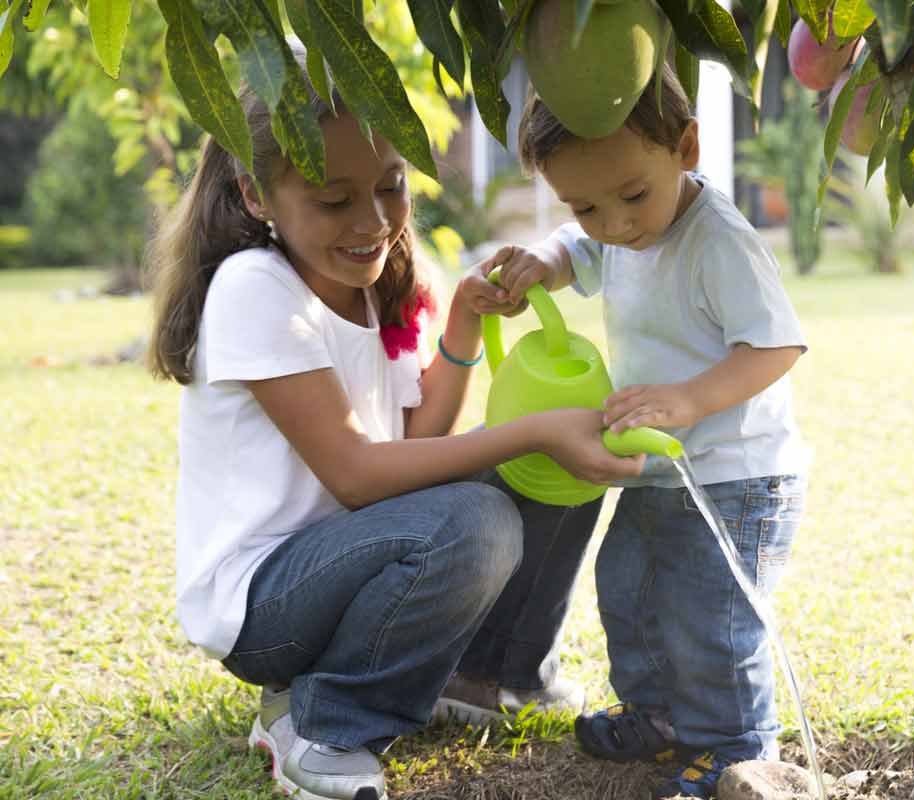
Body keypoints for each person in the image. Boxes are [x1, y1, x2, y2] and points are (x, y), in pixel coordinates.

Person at [145, 54, 644, 800]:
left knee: (543, 475)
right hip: (265, 603)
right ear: (256, 195)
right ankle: (323, 719)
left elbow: (416, 445)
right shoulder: (255, 289)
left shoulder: (380, 283)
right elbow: (356, 473)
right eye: (334, 200)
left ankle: (488, 676)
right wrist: (533, 430)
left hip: (353, 559)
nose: (373, 221)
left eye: (390, 187)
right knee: (476, 515)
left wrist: (466, 320)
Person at [481, 65, 810, 799]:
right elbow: (585, 247)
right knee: (627, 588)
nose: (617, 223)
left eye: (632, 195)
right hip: (662, 468)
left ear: (686, 147)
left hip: (735, 475)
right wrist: (552, 256)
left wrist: (691, 399)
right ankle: (661, 713)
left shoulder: (718, 241)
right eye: (586, 204)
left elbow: (776, 346)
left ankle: (735, 746)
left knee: (709, 616)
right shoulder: (620, 229)